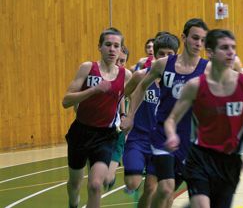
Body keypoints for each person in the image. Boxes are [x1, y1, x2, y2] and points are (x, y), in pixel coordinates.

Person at [164, 29, 243, 208]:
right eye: (224, 47)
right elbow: (171, 119)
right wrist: (172, 135)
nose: (231, 52)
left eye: (233, 47)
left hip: (229, 161)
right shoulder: (195, 86)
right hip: (200, 158)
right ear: (209, 52)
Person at [121, 18, 209, 208]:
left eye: (203, 40)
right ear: (184, 38)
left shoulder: (208, 69)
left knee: (168, 194)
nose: (198, 43)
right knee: (162, 188)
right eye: (195, 38)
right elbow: (141, 87)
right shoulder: (163, 65)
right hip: (162, 134)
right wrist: (129, 116)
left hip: (190, 140)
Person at [62, 27, 132, 208]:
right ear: (99, 47)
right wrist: (93, 90)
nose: (112, 49)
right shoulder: (87, 68)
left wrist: (128, 115)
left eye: (116, 46)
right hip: (80, 132)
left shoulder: (126, 75)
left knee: (95, 185)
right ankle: (73, 204)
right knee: (75, 183)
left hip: (105, 136)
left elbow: (131, 96)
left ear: (121, 49)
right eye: (108, 45)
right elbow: (66, 101)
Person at [122, 33, 180, 208]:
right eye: (161, 53)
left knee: (157, 189)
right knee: (133, 183)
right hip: (139, 138)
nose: (164, 58)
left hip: (163, 140)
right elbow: (123, 94)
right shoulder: (141, 75)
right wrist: (126, 115)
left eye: (169, 54)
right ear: (154, 55)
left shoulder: (179, 81)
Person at [104, 45, 130, 190]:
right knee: (95, 180)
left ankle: (111, 173)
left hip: (117, 129)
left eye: (123, 61)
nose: (119, 64)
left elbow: (124, 100)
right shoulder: (103, 77)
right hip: (98, 130)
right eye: (117, 60)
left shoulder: (127, 77)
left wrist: (124, 115)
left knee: (106, 178)